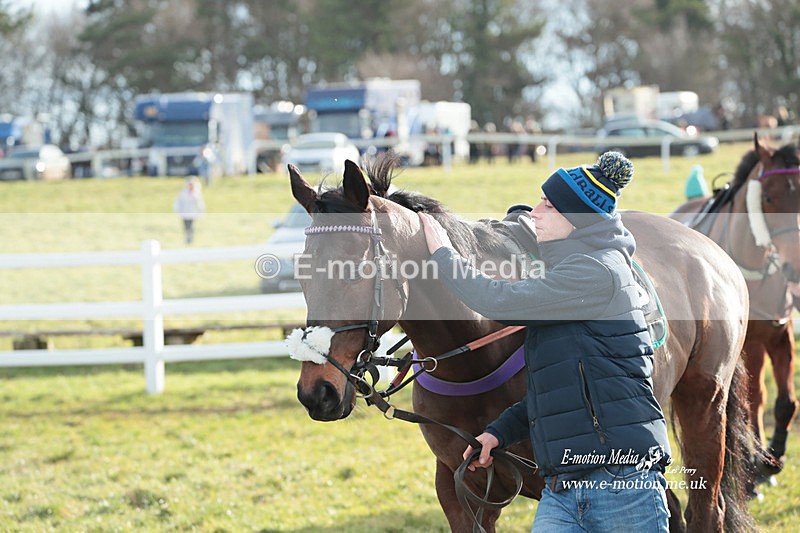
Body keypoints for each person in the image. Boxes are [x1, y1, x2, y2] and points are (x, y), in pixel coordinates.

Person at [418, 151, 672, 532]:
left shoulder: (596, 271)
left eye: (548, 205)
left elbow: (496, 301)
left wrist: (443, 253)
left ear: (577, 219)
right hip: (561, 489)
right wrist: (499, 433)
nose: (534, 212)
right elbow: (556, 391)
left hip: (622, 484)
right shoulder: (570, 276)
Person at [173, 176, 205, 244]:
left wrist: (201, 211)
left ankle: (190, 240)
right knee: (186, 226)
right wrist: (177, 209)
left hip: (193, 213)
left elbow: (200, 203)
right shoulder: (183, 192)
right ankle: (187, 239)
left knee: (191, 226)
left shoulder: (197, 193)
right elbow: (178, 201)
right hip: (184, 212)